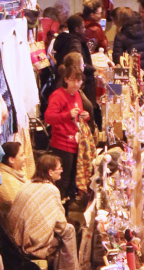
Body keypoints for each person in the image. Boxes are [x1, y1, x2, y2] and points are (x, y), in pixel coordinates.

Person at [7, 155, 82, 270]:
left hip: (15, 237)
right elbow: (60, 224)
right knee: (69, 230)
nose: (62, 170)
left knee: (67, 228)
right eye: (59, 168)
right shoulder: (50, 189)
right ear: (50, 172)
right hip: (29, 241)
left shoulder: (28, 183)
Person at [44, 65, 90, 200]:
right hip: (62, 144)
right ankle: (60, 212)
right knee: (62, 182)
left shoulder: (77, 95)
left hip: (75, 143)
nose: (77, 84)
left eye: (79, 81)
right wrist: (67, 115)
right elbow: (49, 117)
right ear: (66, 80)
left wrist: (84, 117)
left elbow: (76, 117)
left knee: (71, 181)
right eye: (73, 80)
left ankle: (68, 210)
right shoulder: (58, 95)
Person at [0, 142, 28, 224]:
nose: (25, 157)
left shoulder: (17, 174)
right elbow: (18, 209)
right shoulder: (5, 179)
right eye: (21, 155)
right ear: (11, 160)